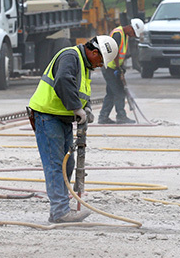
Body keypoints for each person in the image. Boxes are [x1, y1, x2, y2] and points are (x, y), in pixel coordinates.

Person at [28, 35, 118, 223]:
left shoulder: (85, 65)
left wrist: (86, 108)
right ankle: (60, 212)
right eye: (101, 61)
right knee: (55, 164)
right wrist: (76, 108)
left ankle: (60, 208)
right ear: (94, 52)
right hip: (47, 116)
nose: (101, 66)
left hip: (62, 118)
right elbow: (62, 81)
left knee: (67, 164)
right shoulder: (70, 57)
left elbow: (81, 91)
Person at [98, 19, 145, 124]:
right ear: (130, 28)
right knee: (119, 92)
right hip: (109, 67)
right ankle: (121, 116)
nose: (133, 35)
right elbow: (114, 51)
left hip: (112, 67)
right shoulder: (118, 34)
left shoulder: (125, 35)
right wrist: (118, 68)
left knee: (111, 93)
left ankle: (103, 117)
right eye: (133, 33)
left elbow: (121, 53)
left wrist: (121, 68)